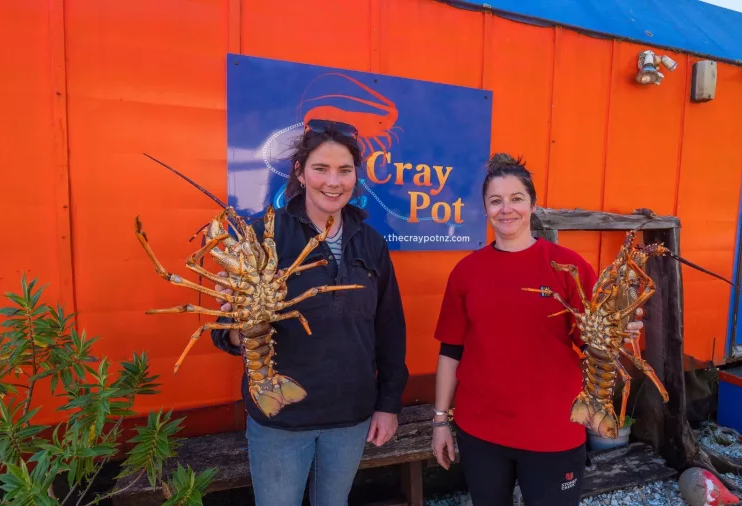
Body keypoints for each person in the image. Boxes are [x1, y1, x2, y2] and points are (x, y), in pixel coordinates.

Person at [209, 119, 409, 506]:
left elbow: (389, 329)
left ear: (356, 177)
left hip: (351, 415)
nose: (333, 182)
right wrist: (242, 326)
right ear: (300, 172)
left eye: (344, 171)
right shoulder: (263, 235)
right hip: (281, 416)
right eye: (321, 168)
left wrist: (388, 404)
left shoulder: (370, 242)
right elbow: (223, 329)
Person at [429, 153, 643, 506]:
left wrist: (617, 333)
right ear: (484, 208)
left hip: (554, 428)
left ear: (533, 204)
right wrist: (440, 421)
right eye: (495, 201)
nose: (506, 209)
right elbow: (451, 350)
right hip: (481, 428)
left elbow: (594, 343)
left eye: (516, 198)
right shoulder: (466, 272)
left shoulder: (568, 266)